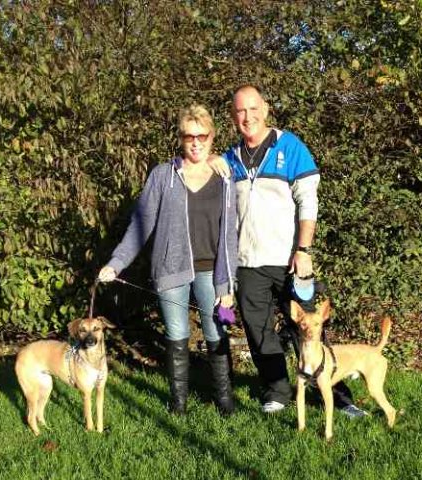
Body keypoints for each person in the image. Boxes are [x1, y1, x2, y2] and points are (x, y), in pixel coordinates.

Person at [216, 85, 366, 417]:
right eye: (240, 111)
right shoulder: (229, 159)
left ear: (265, 109)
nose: (248, 117)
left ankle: (340, 396)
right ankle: (278, 391)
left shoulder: (290, 146)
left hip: (289, 262)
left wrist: (304, 249)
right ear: (233, 117)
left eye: (253, 109)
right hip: (248, 263)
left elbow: (307, 200)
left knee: (311, 331)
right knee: (258, 333)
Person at [98, 105, 238, 416]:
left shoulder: (224, 176)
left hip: (212, 271)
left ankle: (225, 402)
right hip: (170, 270)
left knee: (217, 331)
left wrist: (228, 283)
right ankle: (179, 404)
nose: (196, 142)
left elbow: (230, 235)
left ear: (212, 136)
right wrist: (116, 263)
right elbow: (141, 224)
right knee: (177, 336)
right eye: (189, 136)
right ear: (180, 138)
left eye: (202, 135)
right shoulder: (163, 176)